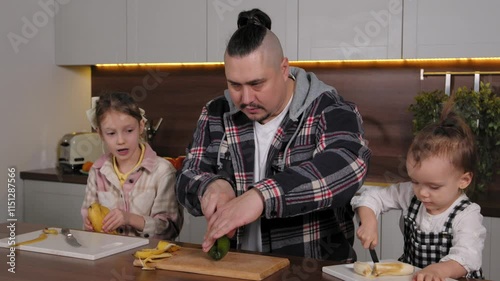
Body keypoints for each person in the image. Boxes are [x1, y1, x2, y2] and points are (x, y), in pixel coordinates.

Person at [176, 8, 371, 261]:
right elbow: (186, 175)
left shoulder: (329, 108)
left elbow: (347, 166)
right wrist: (210, 185)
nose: (245, 99)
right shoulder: (216, 112)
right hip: (238, 270)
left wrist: (259, 197)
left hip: (310, 273)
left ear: (283, 68)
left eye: (257, 84)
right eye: (235, 85)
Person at [351, 102, 485, 280]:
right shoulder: (410, 194)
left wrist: (438, 271)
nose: (422, 193)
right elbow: (371, 197)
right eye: (415, 181)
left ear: (464, 180)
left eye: (434, 186)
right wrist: (368, 221)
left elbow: (468, 256)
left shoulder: (467, 214)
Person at [81, 92, 183, 240]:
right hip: (108, 257)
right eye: (111, 133)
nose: (121, 140)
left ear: (141, 126)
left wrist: (129, 219)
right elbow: (88, 215)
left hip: (148, 258)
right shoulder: (97, 172)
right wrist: (88, 225)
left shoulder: (163, 172)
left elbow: (169, 230)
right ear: (100, 134)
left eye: (129, 131)